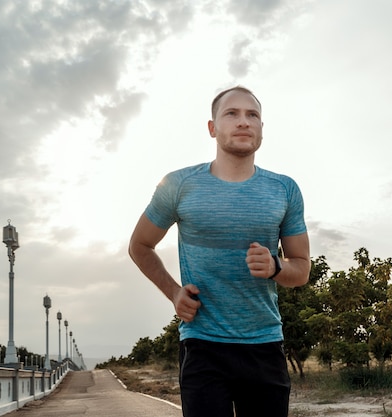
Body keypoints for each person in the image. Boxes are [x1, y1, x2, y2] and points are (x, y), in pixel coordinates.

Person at [128, 86, 311, 417]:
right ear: (212, 128)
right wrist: (173, 293)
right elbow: (140, 246)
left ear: (261, 129)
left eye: (252, 115)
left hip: (264, 345)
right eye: (232, 113)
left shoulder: (284, 189)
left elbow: (301, 269)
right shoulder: (179, 185)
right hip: (203, 345)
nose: (243, 122)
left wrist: (275, 267)